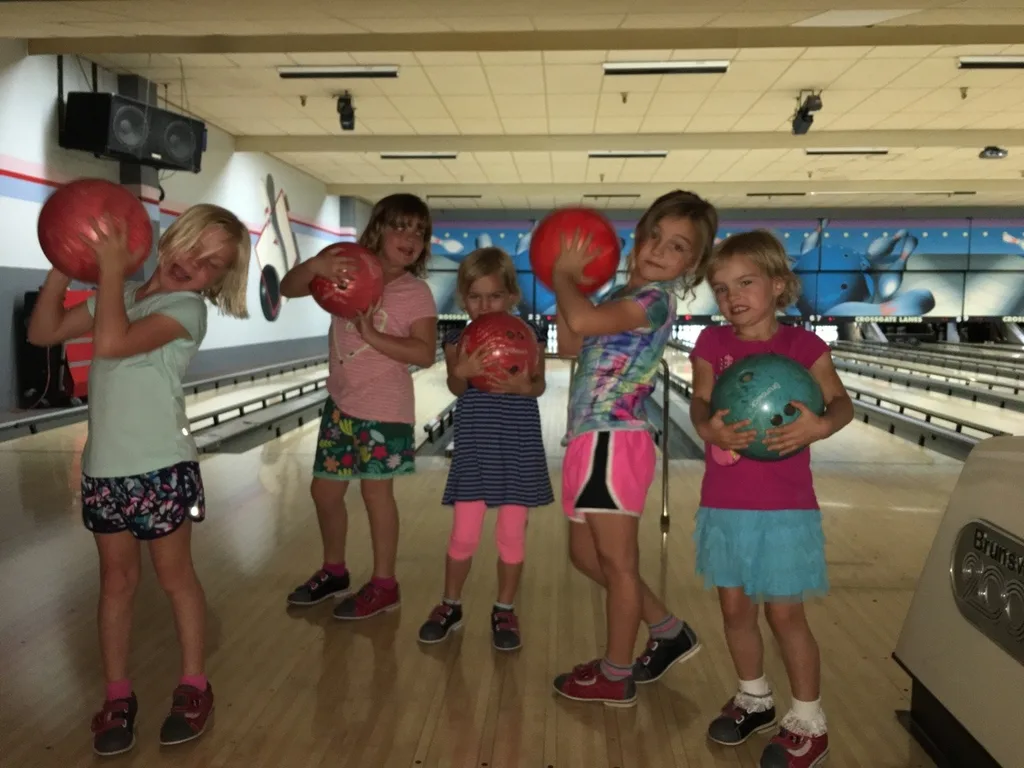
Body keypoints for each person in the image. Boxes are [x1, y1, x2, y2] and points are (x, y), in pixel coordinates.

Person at [28, 203, 251, 756]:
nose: (195, 264)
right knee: (116, 583)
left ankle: (194, 685)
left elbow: (112, 344)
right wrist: (65, 255)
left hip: (161, 468)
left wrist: (106, 271)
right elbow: (43, 330)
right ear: (170, 237)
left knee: (175, 579)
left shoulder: (185, 310)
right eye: (194, 247)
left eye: (212, 264)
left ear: (216, 281)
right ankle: (117, 695)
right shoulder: (122, 297)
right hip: (106, 470)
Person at [689, 229, 853, 768]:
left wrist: (819, 428)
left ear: (777, 285)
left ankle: (809, 720)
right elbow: (699, 404)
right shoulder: (712, 345)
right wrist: (710, 431)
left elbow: (841, 404)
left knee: (785, 614)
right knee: (734, 608)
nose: (731, 295)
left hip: (785, 509)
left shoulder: (803, 347)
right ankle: (754, 697)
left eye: (745, 282)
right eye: (720, 287)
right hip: (725, 503)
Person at [551, 190, 718, 707]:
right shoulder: (617, 297)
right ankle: (668, 630)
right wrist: (572, 288)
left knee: (618, 564)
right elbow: (572, 343)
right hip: (587, 439)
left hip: (614, 438)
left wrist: (560, 276)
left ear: (689, 264)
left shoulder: (654, 301)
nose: (659, 250)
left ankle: (615, 673)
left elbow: (579, 324)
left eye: (676, 247)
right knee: (585, 555)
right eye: (654, 236)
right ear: (639, 234)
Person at [281, 193, 438, 620]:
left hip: (385, 407)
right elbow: (287, 288)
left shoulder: (415, 292)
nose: (411, 238)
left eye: (420, 232)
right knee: (324, 490)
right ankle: (334, 571)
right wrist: (316, 266)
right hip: (342, 403)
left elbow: (424, 353)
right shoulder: (344, 270)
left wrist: (373, 336)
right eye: (401, 226)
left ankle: (385, 583)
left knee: (375, 493)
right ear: (377, 230)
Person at [417, 247, 553, 651]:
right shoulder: (457, 337)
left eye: (494, 296)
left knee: (512, 535)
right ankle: (450, 604)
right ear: (463, 299)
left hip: (518, 443)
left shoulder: (529, 334)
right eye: (475, 296)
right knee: (463, 534)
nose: (485, 304)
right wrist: (461, 373)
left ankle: (504, 607)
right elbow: (456, 389)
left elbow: (540, 382)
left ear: (511, 296)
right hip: (477, 444)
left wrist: (525, 387)